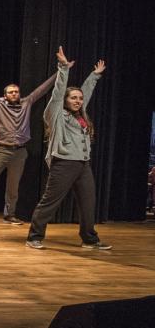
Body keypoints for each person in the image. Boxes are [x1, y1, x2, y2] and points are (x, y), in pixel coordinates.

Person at [26, 48, 109, 250]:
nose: (78, 101)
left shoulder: (81, 115)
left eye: (79, 99)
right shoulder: (57, 114)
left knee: (88, 202)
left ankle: (89, 239)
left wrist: (94, 77)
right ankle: (34, 236)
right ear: (65, 100)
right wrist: (63, 68)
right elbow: (58, 92)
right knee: (50, 201)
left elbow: (85, 94)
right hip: (63, 163)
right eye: (73, 98)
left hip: (83, 164)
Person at [0, 51, 57, 226]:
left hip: (20, 151)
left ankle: (9, 215)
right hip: (2, 149)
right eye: (11, 92)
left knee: (13, 186)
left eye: (16, 91)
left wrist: (60, 72)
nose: (14, 94)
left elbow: (43, 89)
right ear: (5, 94)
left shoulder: (27, 102)